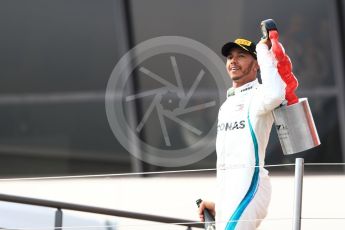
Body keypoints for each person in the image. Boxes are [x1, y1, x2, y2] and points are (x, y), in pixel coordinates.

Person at [198, 37, 286, 229]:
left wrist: (263, 50)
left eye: (241, 56)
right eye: (230, 57)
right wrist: (220, 204)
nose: (233, 61)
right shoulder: (227, 104)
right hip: (230, 195)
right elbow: (229, 160)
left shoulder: (260, 94)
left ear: (256, 65)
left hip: (251, 187)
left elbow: (277, 93)